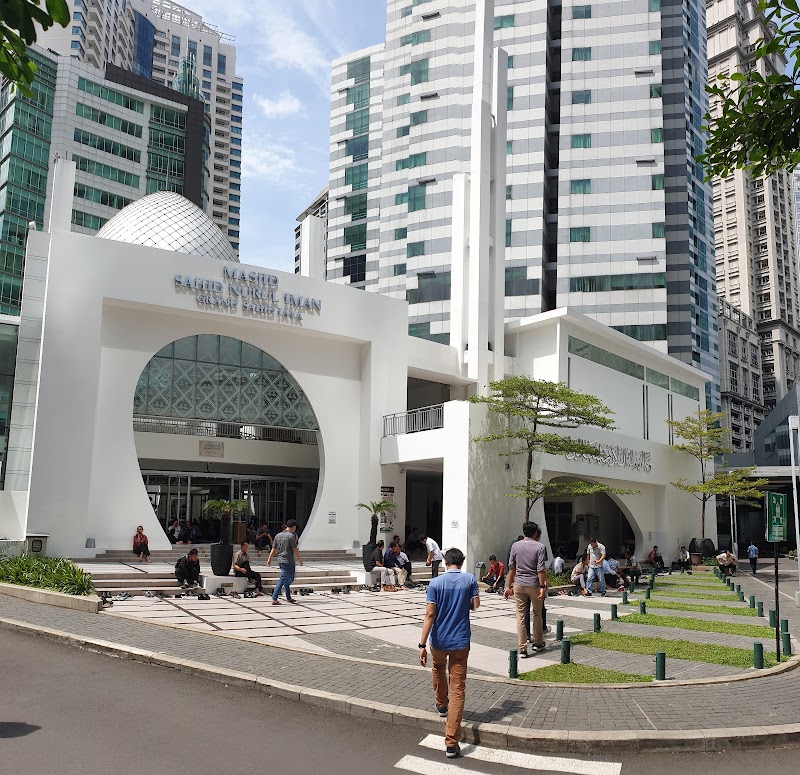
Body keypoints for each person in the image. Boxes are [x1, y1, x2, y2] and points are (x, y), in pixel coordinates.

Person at [419, 547, 479, 760]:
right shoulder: (470, 580)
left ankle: (441, 704)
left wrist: (421, 644)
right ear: (461, 562)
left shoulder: (435, 583)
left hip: (438, 640)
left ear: (445, 562)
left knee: (437, 667)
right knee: (458, 688)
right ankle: (451, 742)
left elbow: (429, 615)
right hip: (461, 641)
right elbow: (475, 606)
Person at [504, 521, 547, 657]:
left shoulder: (515, 546)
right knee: (537, 613)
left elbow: (512, 568)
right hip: (534, 584)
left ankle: (522, 648)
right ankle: (538, 642)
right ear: (535, 533)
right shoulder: (540, 547)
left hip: (519, 584)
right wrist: (542, 587)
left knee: (520, 616)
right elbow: (541, 570)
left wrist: (508, 586)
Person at [267, 519, 303, 604]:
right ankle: (274, 598)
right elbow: (295, 549)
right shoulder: (291, 536)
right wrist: (299, 559)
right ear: (293, 527)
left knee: (286, 578)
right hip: (288, 561)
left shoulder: (278, 535)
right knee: (286, 579)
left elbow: (273, 548)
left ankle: (288, 597)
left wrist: (269, 559)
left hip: (280, 560)